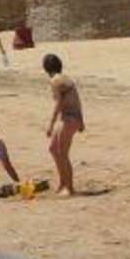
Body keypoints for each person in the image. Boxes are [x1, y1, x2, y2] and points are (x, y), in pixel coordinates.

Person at [44, 52, 82, 196]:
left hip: (68, 118)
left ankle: (69, 187)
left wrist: (51, 124)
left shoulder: (55, 81)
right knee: (53, 149)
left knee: (62, 153)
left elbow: (58, 103)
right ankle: (63, 183)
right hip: (71, 118)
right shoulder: (65, 78)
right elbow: (76, 99)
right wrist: (81, 120)